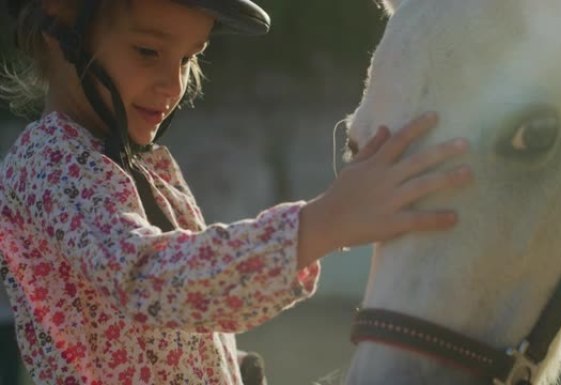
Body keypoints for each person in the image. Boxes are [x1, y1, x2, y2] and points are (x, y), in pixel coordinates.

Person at [0, 1, 473, 385]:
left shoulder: (128, 164)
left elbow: (159, 332)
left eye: (188, 58)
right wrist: (325, 222)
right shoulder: (49, 165)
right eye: (148, 51)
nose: (173, 83)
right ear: (59, 22)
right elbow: (150, 282)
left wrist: (229, 364)